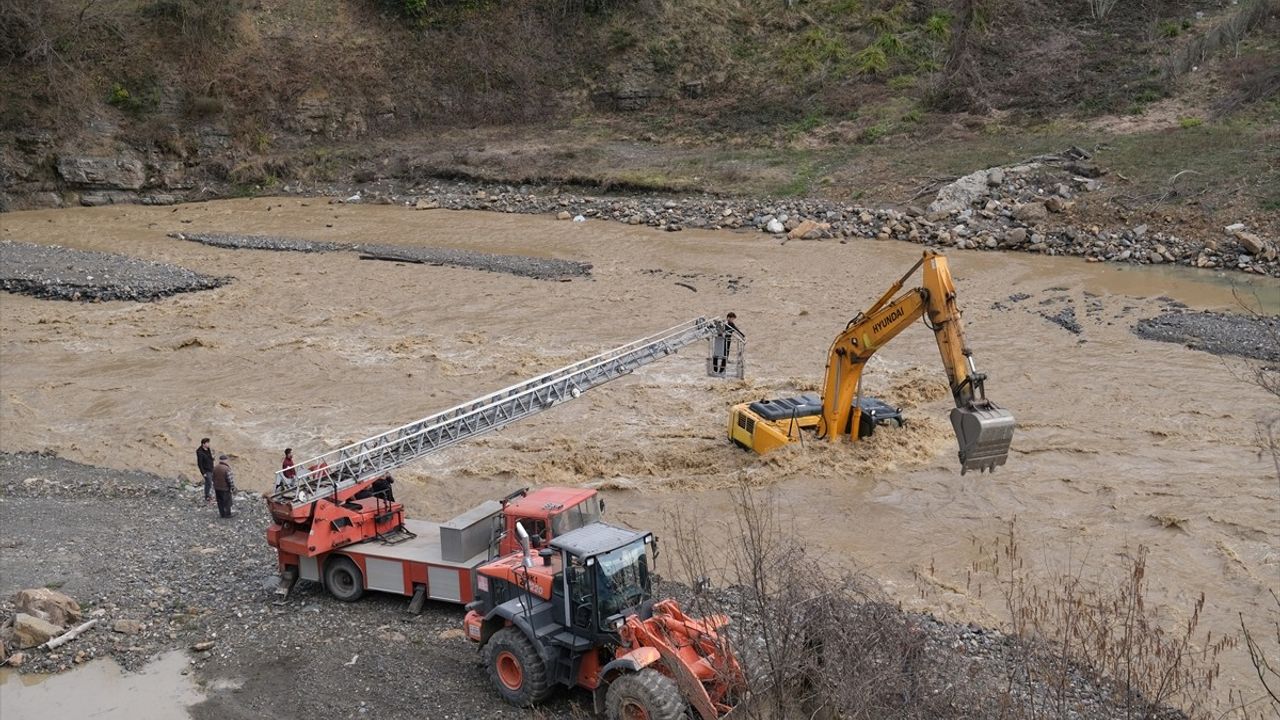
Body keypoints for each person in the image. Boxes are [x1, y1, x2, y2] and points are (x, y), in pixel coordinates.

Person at [211, 454, 236, 518]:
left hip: (217, 488)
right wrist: (232, 487)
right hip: (225, 488)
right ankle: (228, 514)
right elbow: (230, 480)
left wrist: (215, 485)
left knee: (220, 502)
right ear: (225, 460)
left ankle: (222, 514)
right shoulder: (227, 468)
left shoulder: (215, 467)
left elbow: (212, 478)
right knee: (227, 502)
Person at [196, 438, 214, 504]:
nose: (209, 444)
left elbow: (209, 456)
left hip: (211, 468)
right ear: (203, 444)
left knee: (210, 482)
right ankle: (207, 496)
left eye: (209, 443)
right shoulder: (199, 452)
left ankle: (209, 495)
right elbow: (199, 464)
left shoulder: (208, 449)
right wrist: (203, 473)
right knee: (208, 482)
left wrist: (212, 459)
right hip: (206, 470)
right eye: (207, 443)